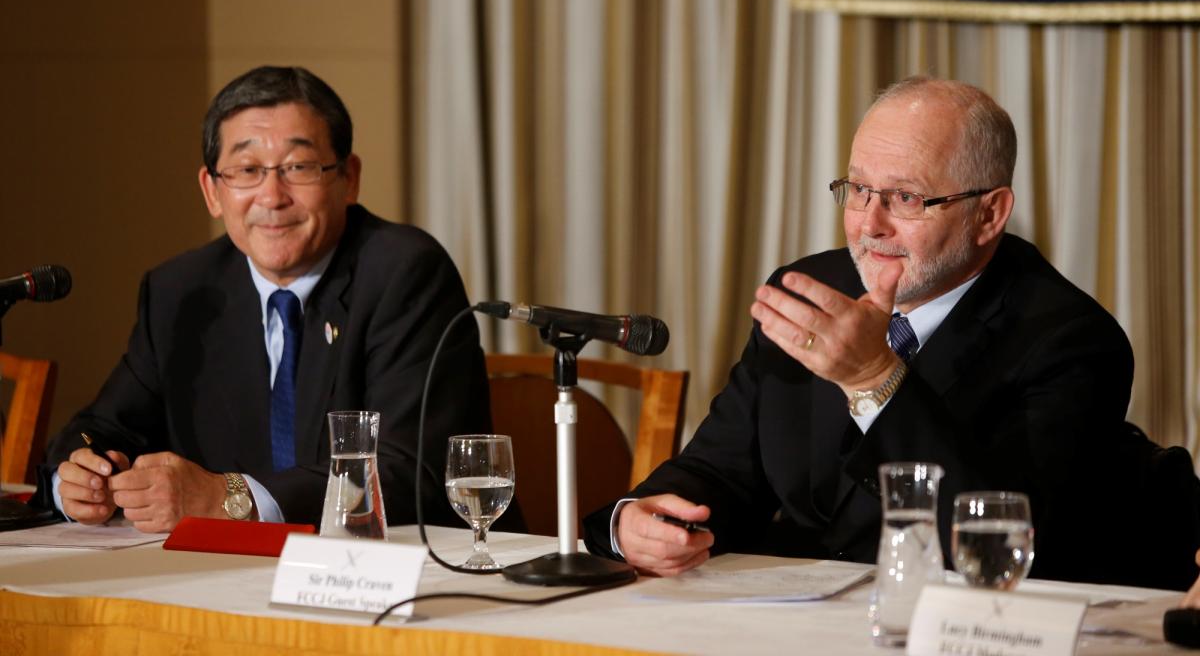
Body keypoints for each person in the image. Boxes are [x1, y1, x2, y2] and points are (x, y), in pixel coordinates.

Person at [584, 76, 1149, 586]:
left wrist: (873, 375)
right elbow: (723, 469)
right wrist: (635, 521)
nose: (869, 225)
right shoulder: (810, 289)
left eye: (906, 197)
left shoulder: (1070, 340)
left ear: (990, 214)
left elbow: (1000, 544)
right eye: (857, 190)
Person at [36, 65, 490, 532]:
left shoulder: (404, 273)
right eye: (247, 171)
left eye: (298, 168)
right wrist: (79, 480)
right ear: (212, 191)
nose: (272, 197)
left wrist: (230, 498)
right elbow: (103, 428)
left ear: (348, 179)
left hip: (401, 569)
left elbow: (411, 470)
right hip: (226, 575)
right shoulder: (182, 290)